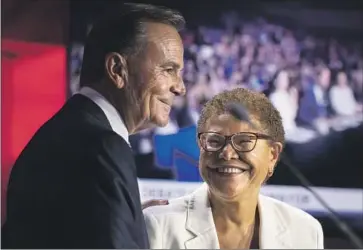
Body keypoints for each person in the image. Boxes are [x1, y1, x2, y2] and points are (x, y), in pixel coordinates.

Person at [2, 3, 185, 249]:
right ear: (117, 70)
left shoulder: (67, 133)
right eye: (168, 70)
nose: (180, 87)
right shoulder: (103, 146)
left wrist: (129, 222)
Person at [143, 88, 324, 249]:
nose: (227, 153)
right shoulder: (159, 226)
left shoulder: (305, 232)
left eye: (244, 141)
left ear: (273, 155)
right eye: (214, 141)